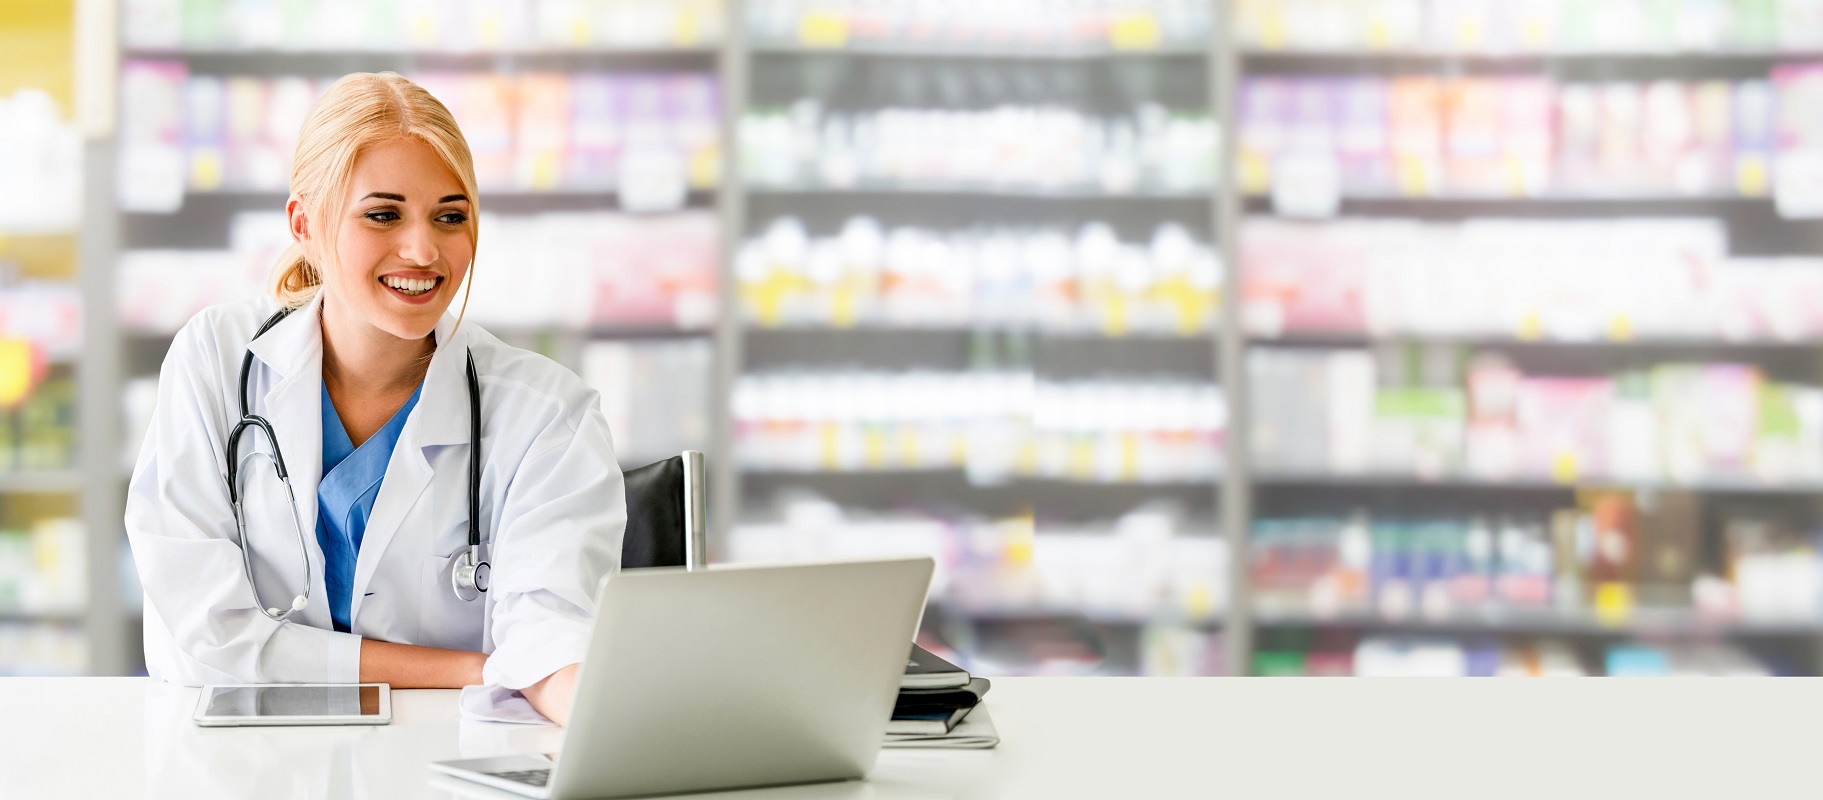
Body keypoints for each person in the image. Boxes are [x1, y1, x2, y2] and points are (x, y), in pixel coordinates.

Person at [124, 72, 624, 725]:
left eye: (450, 216)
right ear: (304, 224)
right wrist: (475, 671)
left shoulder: (546, 414)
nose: (422, 249)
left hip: (440, 768)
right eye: (382, 214)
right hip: (240, 771)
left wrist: (586, 701)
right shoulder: (216, 362)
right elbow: (203, 641)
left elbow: (551, 640)